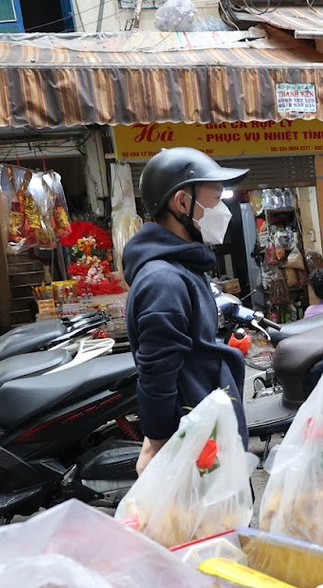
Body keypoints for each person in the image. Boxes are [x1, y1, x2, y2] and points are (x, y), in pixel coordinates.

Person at [124, 147, 249, 475]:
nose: (223, 209)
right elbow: (157, 373)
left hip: (205, 438)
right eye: (216, 199)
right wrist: (158, 444)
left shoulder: (183, 268)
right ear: (181, 202)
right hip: (193, 449)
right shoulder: (163, 281)